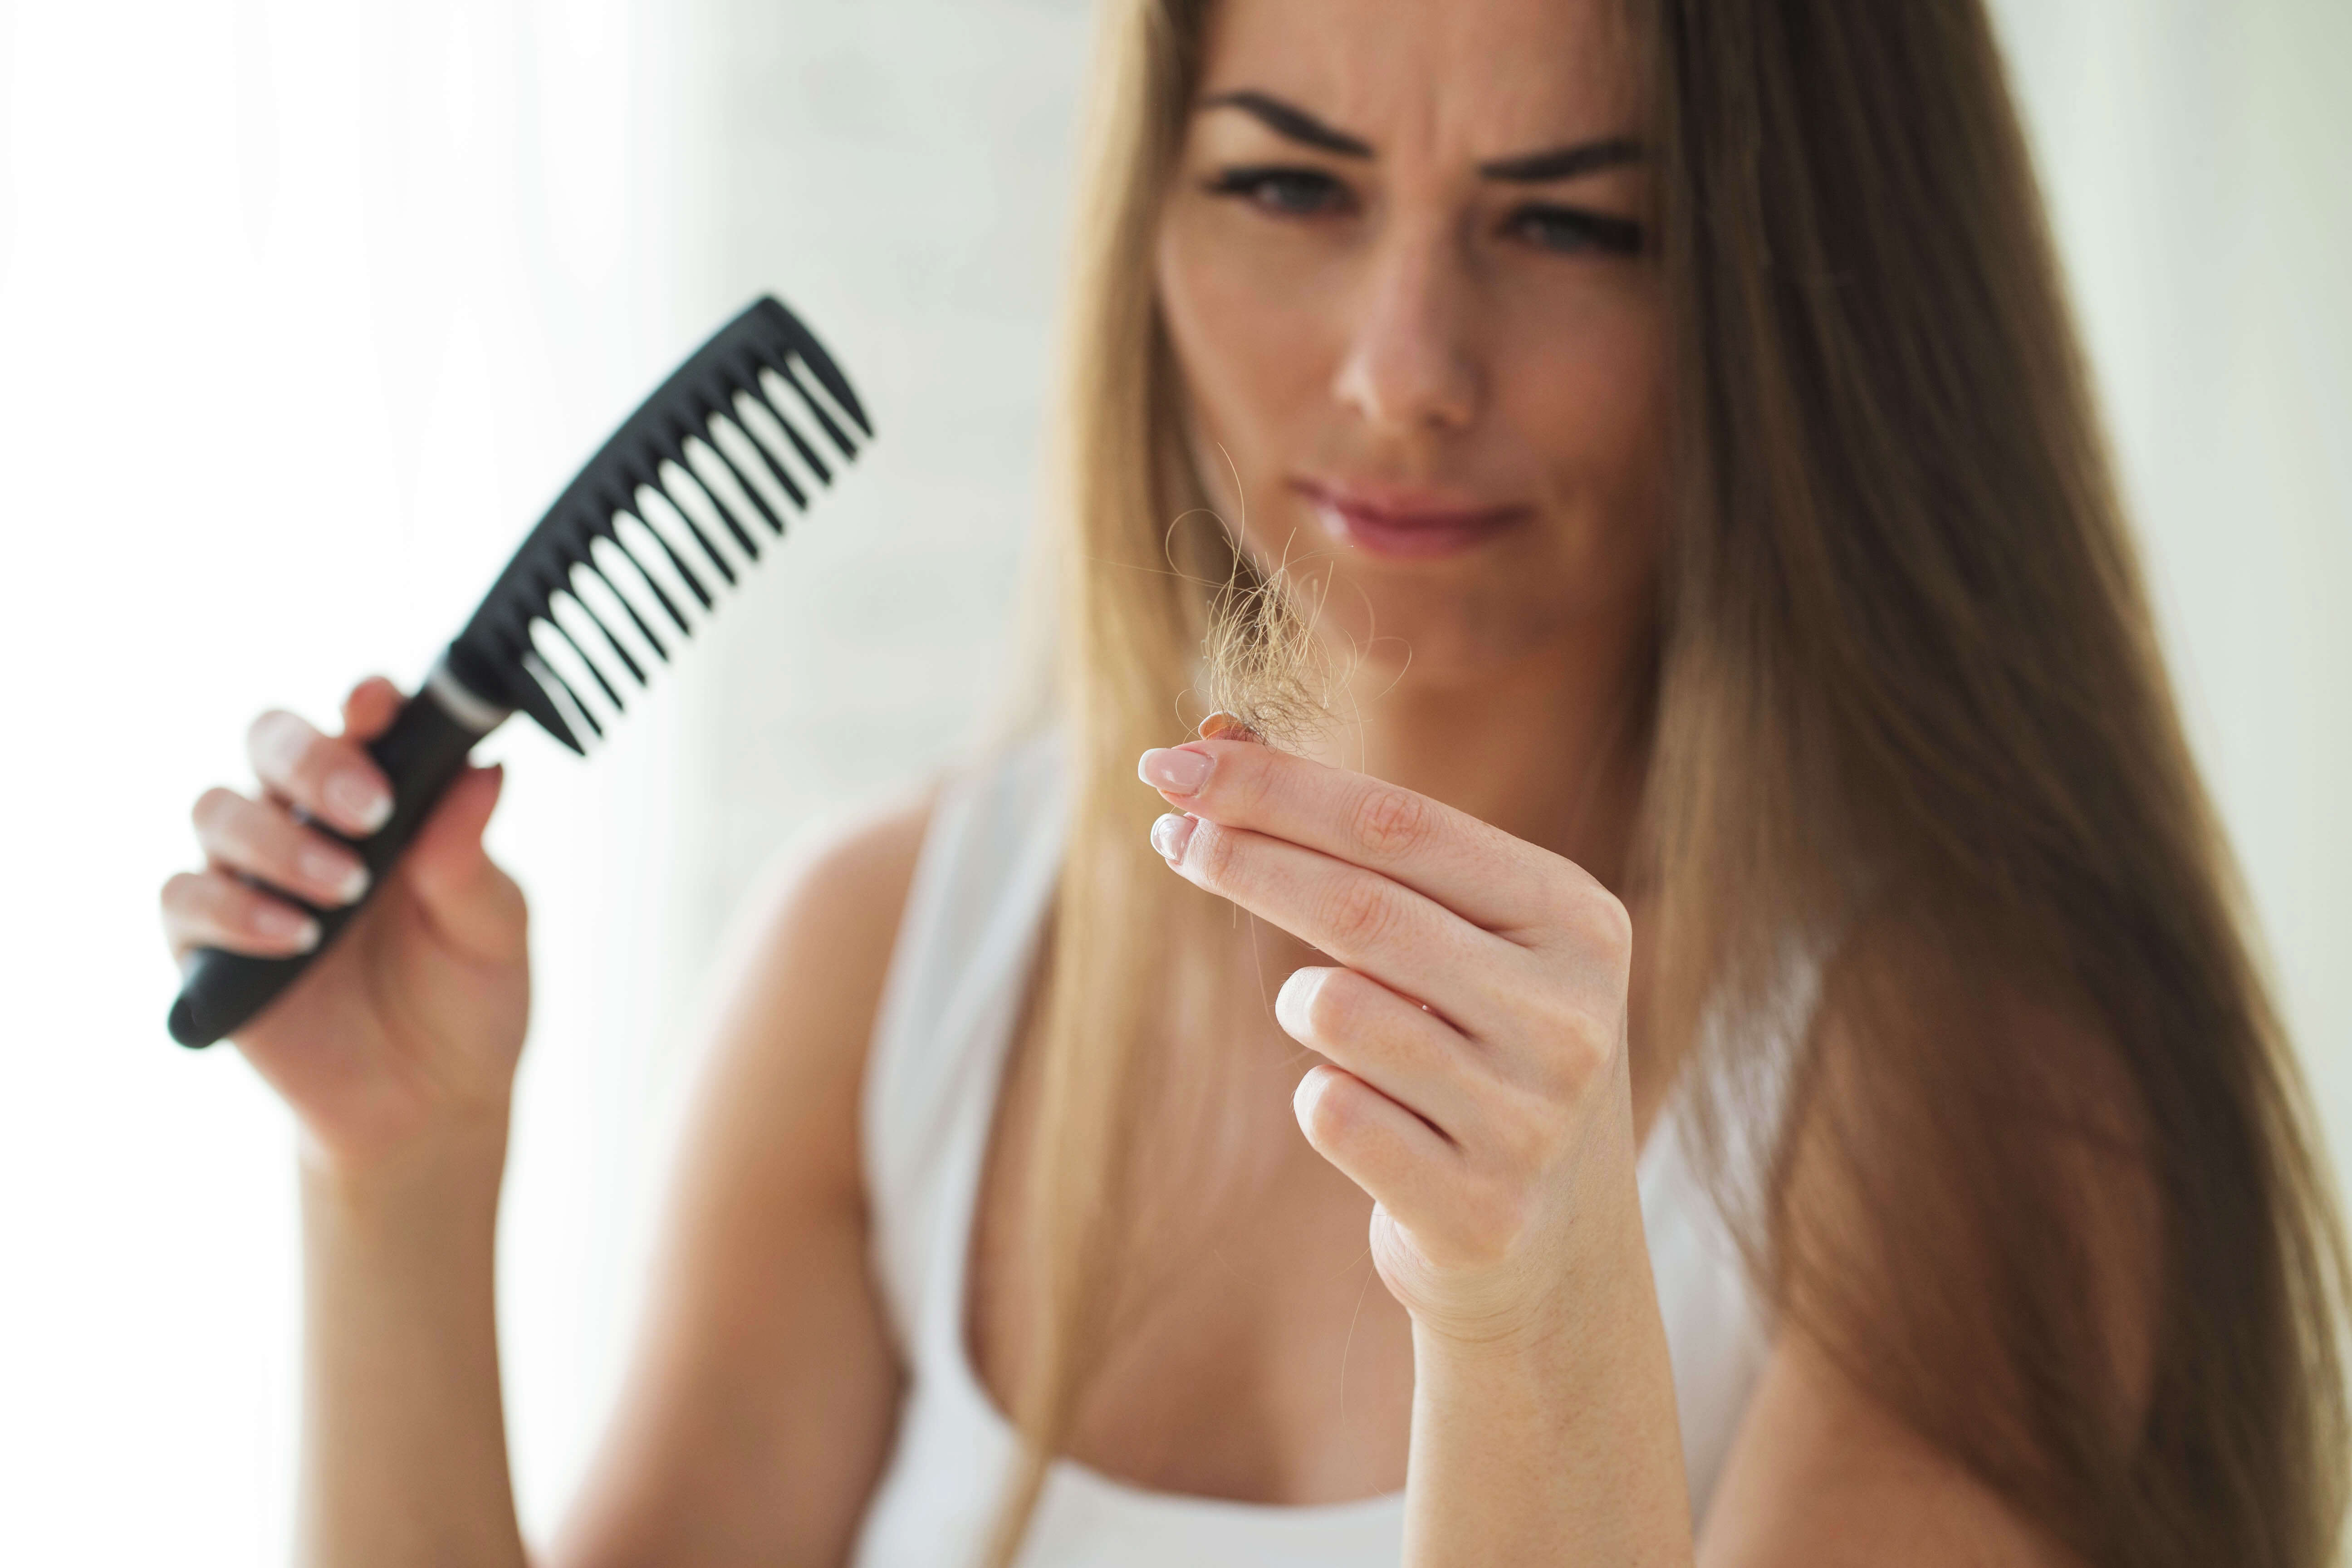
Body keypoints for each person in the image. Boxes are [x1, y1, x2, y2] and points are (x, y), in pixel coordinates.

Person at [159, 0, 2352, 1564]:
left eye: (1572, 223)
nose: (1403, 368)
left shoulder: (1979, 1104)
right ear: (1147, 216)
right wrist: (396, 1199)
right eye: (1290, 184)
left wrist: (1535, 1322)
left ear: (1811, 300)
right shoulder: (891, 970)